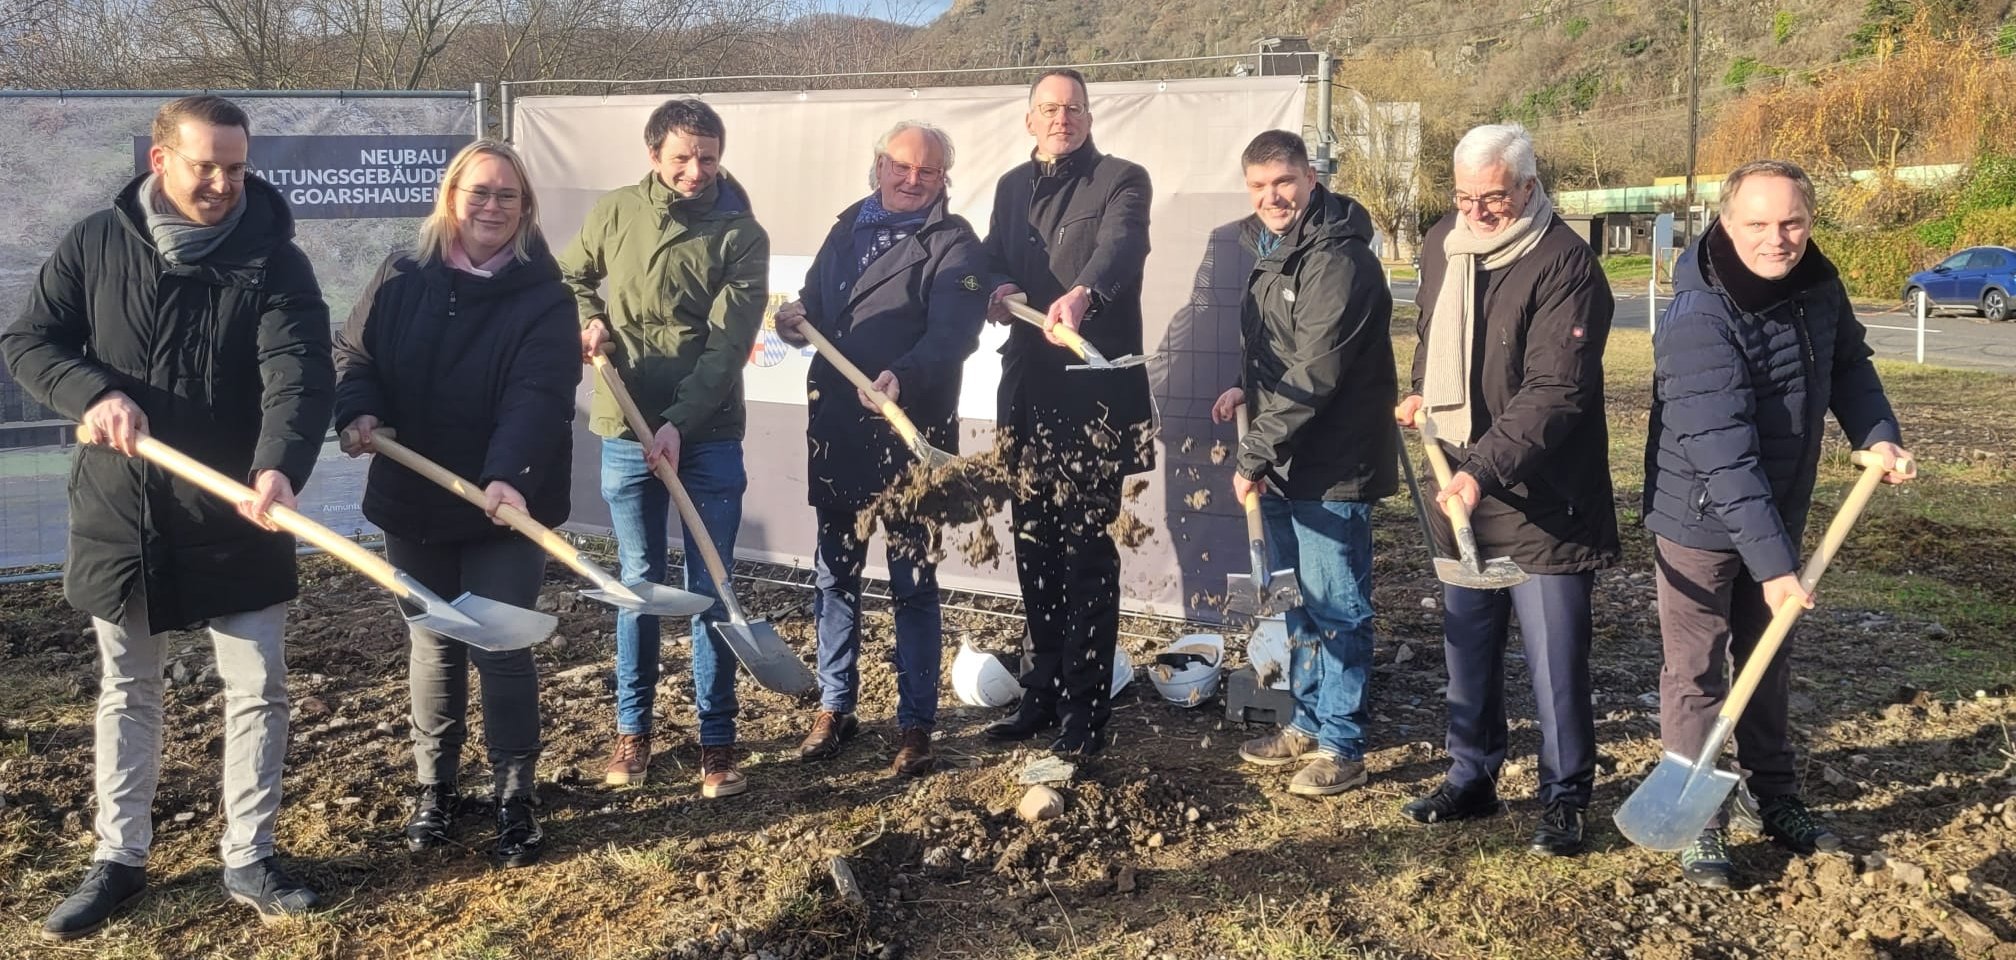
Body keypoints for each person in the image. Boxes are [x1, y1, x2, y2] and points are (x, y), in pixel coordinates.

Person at [1, 95, 333, 938]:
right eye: (205, 165)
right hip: (125, 507)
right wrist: (94, 393)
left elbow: (297, 372)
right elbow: (30, 342)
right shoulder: (97, 241)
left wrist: (278, 466)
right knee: (127, 687)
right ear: (161, 161)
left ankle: (249, 855)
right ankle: (120, 857)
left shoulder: (275, 261)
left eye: (237, 166)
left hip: (238, 507)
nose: (223, 182)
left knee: (258, 689)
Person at [1643, 158, 1912, 888]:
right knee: (1697, 671)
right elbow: (1722, 454)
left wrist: (1876, 431)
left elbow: (1849, 364)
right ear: (1727, 224)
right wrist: (1773, 567)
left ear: (1810, 221)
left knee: (1768, 661)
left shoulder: (1817, 285)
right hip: (1698, 520)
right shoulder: (1700, 314)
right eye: (1757, 223)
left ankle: (1775, 794)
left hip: (1779, 508)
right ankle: (1699, 818)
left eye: (1791, 221)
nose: (1777, 238)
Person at [333, 140, 579, 867]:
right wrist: (359, 409)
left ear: (525, 208)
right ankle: (434, 789)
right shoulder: (402, 274)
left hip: (507, 501)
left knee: (500, 645)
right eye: (479, 192)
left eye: (507, 196)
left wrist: (511, 476)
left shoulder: (544, 296)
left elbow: (538, 396)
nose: (492, 207)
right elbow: (357, 353)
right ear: (451, 197)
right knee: (434, 641)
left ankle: (514, 797)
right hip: (414, 493)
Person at [1393, 123, 1618, 857]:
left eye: (1494, 198)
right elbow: (1435, 337)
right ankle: (1472, 776)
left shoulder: (1567, 264)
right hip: (1463, 485)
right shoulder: (1440, 243)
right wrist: (1421, 395)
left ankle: (1564, 797)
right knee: (1469, 644)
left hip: (1545, 497)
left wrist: (1481, 470)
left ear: (1528, 187)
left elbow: (1555, 392)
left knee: (1555, 662)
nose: (1478, 213)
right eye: (1464, 197)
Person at [559, 98, 769, 797]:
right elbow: (572, 275)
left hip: (705, 437)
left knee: (710, 588)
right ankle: (634, 733)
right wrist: (590, 319)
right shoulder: (616, 212)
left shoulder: (739, 234)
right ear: (654, 155)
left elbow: (728, 344)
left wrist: (680, 420)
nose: (696, 170)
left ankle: (717, 742)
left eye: (708, 157)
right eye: (681, 157)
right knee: (640, 584)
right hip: (625, 429)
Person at [772, 121, 987, 777]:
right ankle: (835, 706)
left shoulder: (954, 244)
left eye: (927, 171)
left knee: (912, 587)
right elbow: (814, 303)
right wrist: (794, 319)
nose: (911, 179)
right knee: (834, 577)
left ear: (944, 178)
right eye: (901, 166)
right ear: (879, 166)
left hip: (908, 438)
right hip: (839, 429)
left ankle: (915, 722)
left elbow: (956, 334)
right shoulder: (847, 229)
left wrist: (905, 376)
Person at [1212, 130, 1395, 797]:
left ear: (1310, 177)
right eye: (1258, 187)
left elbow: (1315, 370)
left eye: (1282, 182)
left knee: (1337, 605)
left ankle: (1343, 743)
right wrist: (1247, 392)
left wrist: (1254, 451)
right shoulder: (1276, 250)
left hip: (1331, 465)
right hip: (1289, 460)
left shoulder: (1337, 260)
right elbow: (1275, 353)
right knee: (1295, 604)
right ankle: (1307, 720)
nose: (1271, 197)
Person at [980, 68, 1157, 757]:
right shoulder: (1009, 188)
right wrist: (993, 283)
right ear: (1030, 120)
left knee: (1086, 555)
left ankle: (1086, 710)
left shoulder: (1120, 178)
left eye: (1074, 108)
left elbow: (1123, 247)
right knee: (1033, 548)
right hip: (1026, 397)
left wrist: (1086, 293)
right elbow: (991, 256)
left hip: (1092, 400)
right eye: (1050, 109)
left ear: (1088, 116)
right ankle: (1042, 690)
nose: (1062, 118)